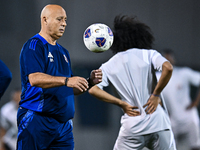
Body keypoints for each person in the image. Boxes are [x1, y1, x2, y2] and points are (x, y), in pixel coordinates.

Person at [17, 4, 102, 150]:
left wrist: (90, 82)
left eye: (65, 20)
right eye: (59, 19)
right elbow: (35, 79)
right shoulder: (34, 45)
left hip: (63, 126)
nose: (64, 24)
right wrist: (67, 80)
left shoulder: (63, 52)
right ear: (45, 20)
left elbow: (69, 88)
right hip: (37, 120)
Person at [88, 15, 176, 150]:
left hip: (132, 125)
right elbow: (168, 67)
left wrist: (121, 103)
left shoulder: (108, 65)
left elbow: (93, 89)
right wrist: (155, 95)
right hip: (158, 123)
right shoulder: (149, 54)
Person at [156, 49, 200, 150]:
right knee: (167, 146)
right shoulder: (157, 78)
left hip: (189, 118)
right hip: (173, 120)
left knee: (196, 146)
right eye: (165, 59)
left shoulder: (183, 73)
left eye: (169, 58)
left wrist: (196, 102)